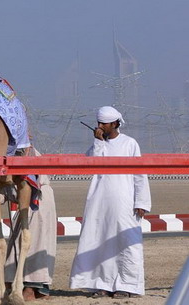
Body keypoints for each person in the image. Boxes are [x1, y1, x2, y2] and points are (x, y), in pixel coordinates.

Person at [69, 106, 152, 299]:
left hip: (125, 202)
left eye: (103, 124)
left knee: (126, 242)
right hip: (99, 202)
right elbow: (91, 166)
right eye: (98, 123)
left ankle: (127, 285)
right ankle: (102, 284)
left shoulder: (130, 144)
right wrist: (98, 143)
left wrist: (141, 201)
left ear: (115, 124)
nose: (99, 126)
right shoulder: (97, 145)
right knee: (100, 241)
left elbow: (140, 174)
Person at [4, 147, 57, 301]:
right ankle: (17, 283)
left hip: (37, 200)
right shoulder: (8, 153)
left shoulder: (27, 152)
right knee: (18, 241)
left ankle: (32, 287)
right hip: (25, 205)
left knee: (36, 242)